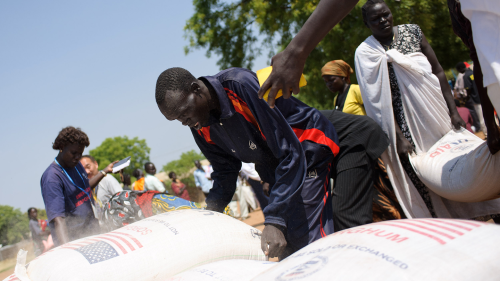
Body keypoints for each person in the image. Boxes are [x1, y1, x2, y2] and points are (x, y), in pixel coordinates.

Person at [155, 67, 338, 259]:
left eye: (183, 113)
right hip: (277, 167)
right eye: (177, 119)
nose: (184, 122)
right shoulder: (199, 123)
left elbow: (291, 153)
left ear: (196, 89)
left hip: (306, 151)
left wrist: (274, 220)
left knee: (307, 238)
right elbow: (224, 169)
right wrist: (210, 212)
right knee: (286, 247)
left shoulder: (239, 85)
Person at [354, 0, 500, 220]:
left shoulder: (412, 32)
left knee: (457, 161)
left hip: (439, 114)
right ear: (366, 23)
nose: (383, 20)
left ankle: (485, 212)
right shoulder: (366, 53)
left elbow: (439, 71)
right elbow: (377, 103)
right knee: (425, 175)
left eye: (386, 14)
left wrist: (452, 112)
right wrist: (399, 137)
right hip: (406, 128)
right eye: (376, 19)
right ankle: (446, 223)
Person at [321, 60, 405, 229]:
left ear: (343, 77)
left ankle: (401, 222)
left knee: (385, 191)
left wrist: (399, 136)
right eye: (326, 81)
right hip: (355, 149)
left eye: (332, 79)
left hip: (371, 146)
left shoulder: (356, 91)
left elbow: (380, 111)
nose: (328, 84)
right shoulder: (337, 99)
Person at [40, 126, 116, 246]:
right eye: (73, 153)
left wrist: (105, 171)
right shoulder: (52, 178)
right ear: (62, 147)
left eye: (80, 154)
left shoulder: (76, 164)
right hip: (74, 240)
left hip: (92, 230)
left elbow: (83, 188)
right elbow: (58, 219)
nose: (77, 157)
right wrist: (69, 250)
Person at [456, 62, 483, 133]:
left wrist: (466, 98)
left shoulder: (465, 76)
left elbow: (468, 89)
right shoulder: (473, 72)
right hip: (483, 96)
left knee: (481, 117)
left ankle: (487, 134)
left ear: (461, 68)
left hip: (475, 99)